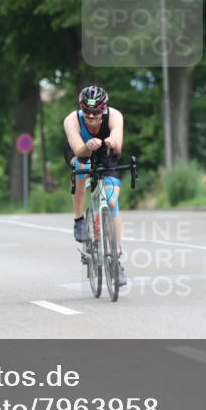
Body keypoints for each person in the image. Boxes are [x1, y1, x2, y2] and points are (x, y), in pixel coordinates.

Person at [63, 85, 128, 286]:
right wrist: (87, 146)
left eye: (96, 112)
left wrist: (111, 142)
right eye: (87, 112)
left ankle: (116, 260)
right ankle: (79, 220)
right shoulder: (71, 120)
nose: (91, 116)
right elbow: (78, 149)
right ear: (81, 108)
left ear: (104, 109)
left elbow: (118, 145)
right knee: (81, 170)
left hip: (107, 156)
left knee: (111, 201)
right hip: (81, 151)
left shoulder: (115, 116)